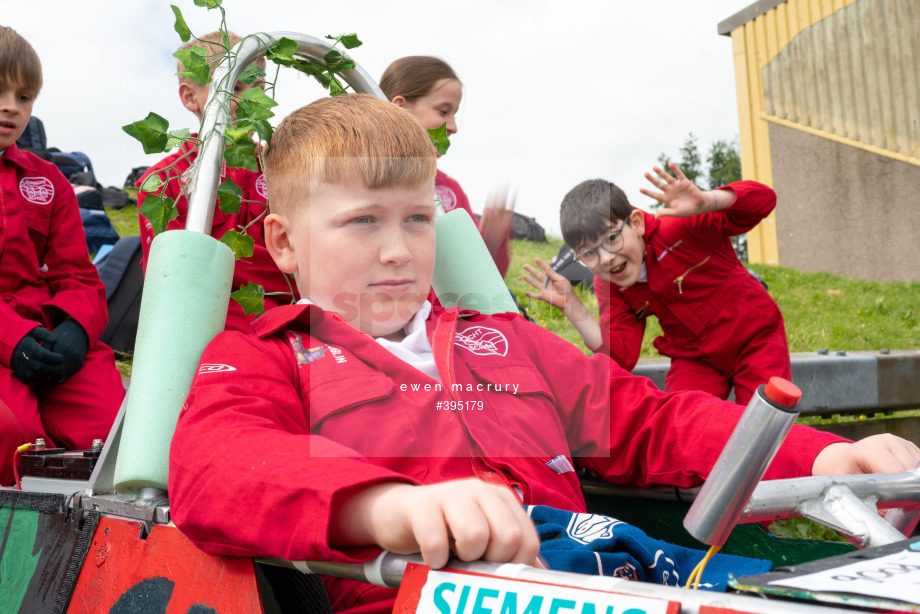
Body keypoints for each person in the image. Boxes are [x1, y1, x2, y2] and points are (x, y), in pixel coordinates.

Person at [168, 94, 920, 614]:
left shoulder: (501, 342)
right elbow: (220, 465)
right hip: (420, 592)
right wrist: (390, 505)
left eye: (418, 220)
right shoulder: (265, 357)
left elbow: (647, 422)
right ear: (285, 243)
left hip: (596, 583)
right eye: (362, 222)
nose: (398, 251)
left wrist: (818, 459)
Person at [525, 166, 790, 405]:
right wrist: (574, 308)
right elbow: (621, 355)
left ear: (637, 224)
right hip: (696, 358)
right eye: (589, 253)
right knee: (681, 427)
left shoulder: (679, 228)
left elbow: (764, 201)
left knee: (763, 425)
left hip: (755, 339)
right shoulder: (610, 284)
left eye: (612, 238)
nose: (605, 258)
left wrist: (708, 201)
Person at [0, 26, 123, 486]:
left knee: (114, 432)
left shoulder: (49, 179)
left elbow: (78, 274)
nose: (12, 105)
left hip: (47, 334)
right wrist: (14, 341)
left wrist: (73, 333)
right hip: (7, 335)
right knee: (12, 437)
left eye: (24, 96)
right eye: (0, 90)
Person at [136, 31, 297, 333]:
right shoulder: (162, 183)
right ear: (190, 97)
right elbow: (171, 283)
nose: (249, 100)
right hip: (214, 325)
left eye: (258, 88)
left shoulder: (285, 170)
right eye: (234, 87)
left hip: (298, 316)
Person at [380, 55, 514, 277]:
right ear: (400, 110)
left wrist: (491, 244)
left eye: (454, 114)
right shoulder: (351, 179)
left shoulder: (450, 191)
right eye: (443, 111)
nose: (453, 126)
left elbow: (478, 280)